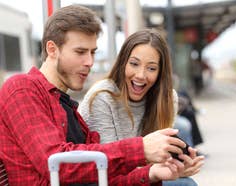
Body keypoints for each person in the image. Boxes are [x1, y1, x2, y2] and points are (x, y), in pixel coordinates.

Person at [0, 5, 193, 186]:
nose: (90, 62)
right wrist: (140, 149)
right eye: (80, 52)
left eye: (93, 52)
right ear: (52, 49)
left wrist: (151, 173)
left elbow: (100, 179)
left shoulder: (68, 109)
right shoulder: (22, 88)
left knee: (182, 182)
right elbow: (56, 165)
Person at [79, 29, 204, 186]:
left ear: (160, 72)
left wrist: (176, 168)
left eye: (151, 68)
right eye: (134, 64)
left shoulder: (168, 99)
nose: (140, 75)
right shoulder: (102, 97)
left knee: (185, 181)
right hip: (107, 179)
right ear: (123, 62)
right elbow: (108, 167)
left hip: (140, 177)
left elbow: (157, 162)